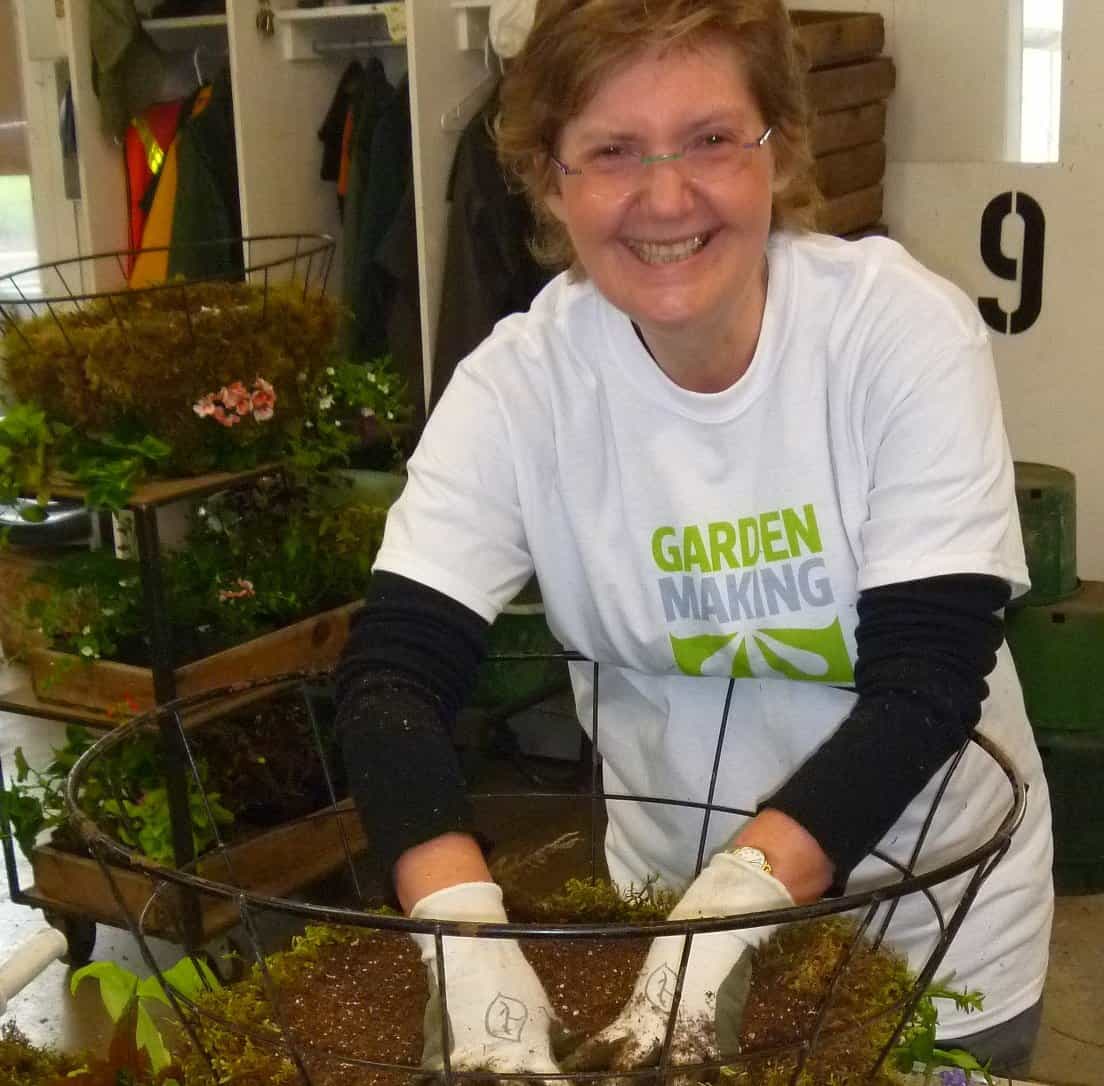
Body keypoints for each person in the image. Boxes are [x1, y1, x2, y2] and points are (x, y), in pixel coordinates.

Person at [335, 0, 1054, 1079]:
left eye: (712, 140)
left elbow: (928, 687)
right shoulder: (523, 387)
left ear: (781, 149)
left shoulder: (894, 335)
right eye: (613, 151)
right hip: (655, 937)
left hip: (932, 942)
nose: (665, 197)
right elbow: (391, 674)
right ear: (550, 179)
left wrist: (729, 907)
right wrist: (467, 939)